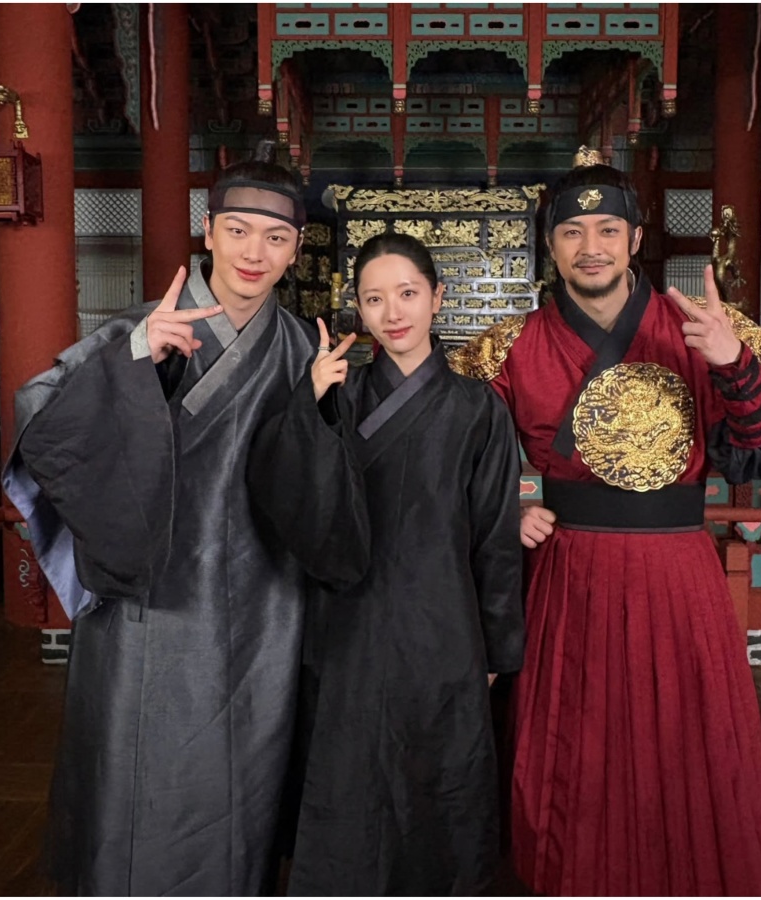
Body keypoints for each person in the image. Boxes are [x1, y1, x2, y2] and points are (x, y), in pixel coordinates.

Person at [449, 148, 761, 896]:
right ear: (550, 246)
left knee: (689, 740)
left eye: (608, 230)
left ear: (636, 240)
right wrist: (501, 506)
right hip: (567, 570)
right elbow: (441, 450)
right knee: (572, 743)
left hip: (677, 571)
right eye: (572, 231)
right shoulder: (511, 343)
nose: (591, 247)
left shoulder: (706, 327)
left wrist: (732, 363)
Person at [2, 158, 318, 896]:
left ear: (296, 250)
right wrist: (135, 359)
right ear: (208, 232)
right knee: (137, 768)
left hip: (268, 598)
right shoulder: (141, 327)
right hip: (152, 590)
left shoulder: (304, 346)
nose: (253, 252)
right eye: (237, 231)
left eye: (275, 238)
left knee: (248, 769)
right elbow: (41, 419)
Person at [247, 233, 525, 896]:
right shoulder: (338, 396)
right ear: (358, 309)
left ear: (437, 298)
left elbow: (495, 537)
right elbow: (283, 495)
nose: (392, 312)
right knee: (347, 780)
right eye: (374, 299)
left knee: (441, 783)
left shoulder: (477, 408)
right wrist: (309, 405)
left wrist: (494, 646)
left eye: (407, 294)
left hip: (443, 627)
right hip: (347, 625)